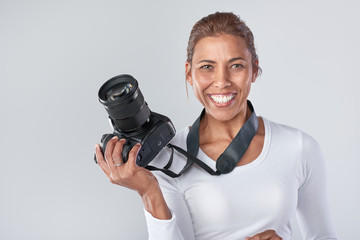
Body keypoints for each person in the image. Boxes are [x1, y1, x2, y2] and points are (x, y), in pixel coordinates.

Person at [95, 12, 337, 240]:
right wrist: (149, 191)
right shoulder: (167, 159)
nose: (221, 82)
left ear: (254, 70)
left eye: (236, 65)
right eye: (207, 67)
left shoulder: (299, 147)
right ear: (189, 74)